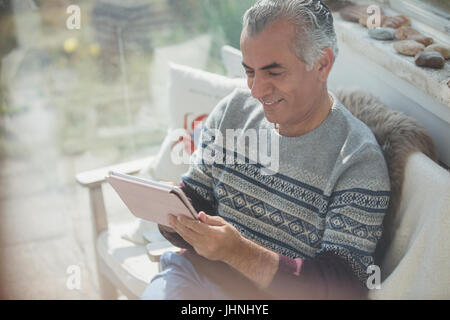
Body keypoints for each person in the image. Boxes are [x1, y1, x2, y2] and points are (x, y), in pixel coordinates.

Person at [141, 0, 390, 300]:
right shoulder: (233, 110)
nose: (256, 91)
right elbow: (199, 195)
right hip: (193, 277)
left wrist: (238, 253)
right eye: (250, 72)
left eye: (274, 73)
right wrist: (173, 210)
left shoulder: (357, 162)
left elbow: (340, 288)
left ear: (322, 64)